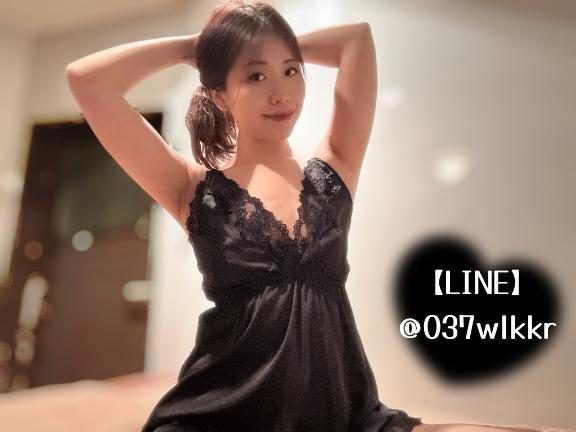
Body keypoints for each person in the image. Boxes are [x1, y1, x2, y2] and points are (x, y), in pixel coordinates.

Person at [66, 1, 549, 432]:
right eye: (256, 76)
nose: (281, 93)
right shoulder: (191, 188)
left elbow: (355, 39)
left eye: (291, 70)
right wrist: (199, 48)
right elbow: (87, 81)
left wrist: (258, 44)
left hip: (346, 414)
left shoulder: (335, 169)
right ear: (219, 95)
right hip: (222, 412)